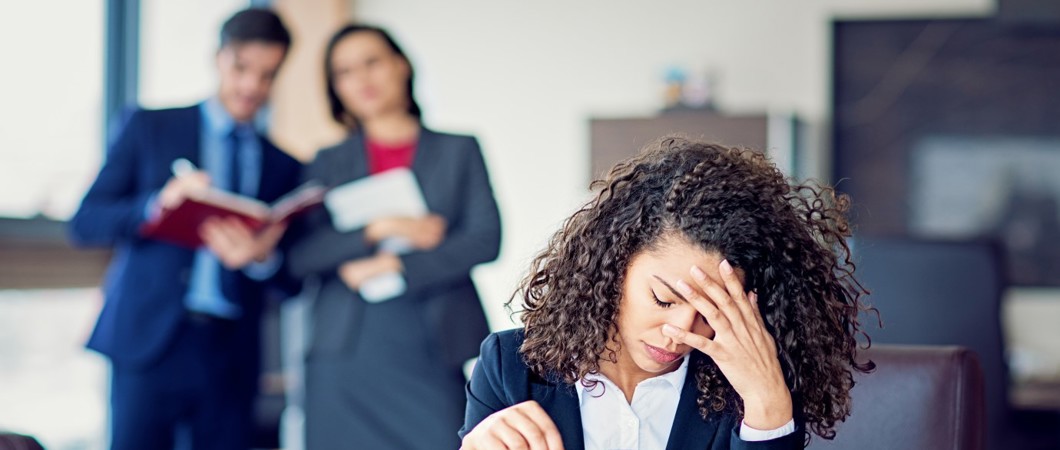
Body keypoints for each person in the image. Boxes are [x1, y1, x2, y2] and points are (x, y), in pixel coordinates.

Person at [459, 137, 873, 449]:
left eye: (711, 311)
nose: (680, 331)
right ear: (615, 267)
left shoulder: (746, 387)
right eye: (664, 299)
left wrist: (768, 404)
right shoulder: (512, 369)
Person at [68, 9, 302, 450]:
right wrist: (157, 205)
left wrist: (262, 258)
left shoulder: (284, 165)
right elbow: (85, 222)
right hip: (149, 344)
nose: (252, 87)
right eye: (242, 68)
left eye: (268, 75)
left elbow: (292, 280)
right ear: (218, 58)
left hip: (230, 353)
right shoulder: (151, 127)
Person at [286, 24, 501, 450]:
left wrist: (397, 264)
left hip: (431, 337)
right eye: (344, 72)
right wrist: (377, 231)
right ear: (336, 88)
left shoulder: (459, 149)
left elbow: (485, 239)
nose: (362, 79)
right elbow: (300, 256)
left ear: (401, 65)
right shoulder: (326, 162)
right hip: (344, 348)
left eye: (372, 62)